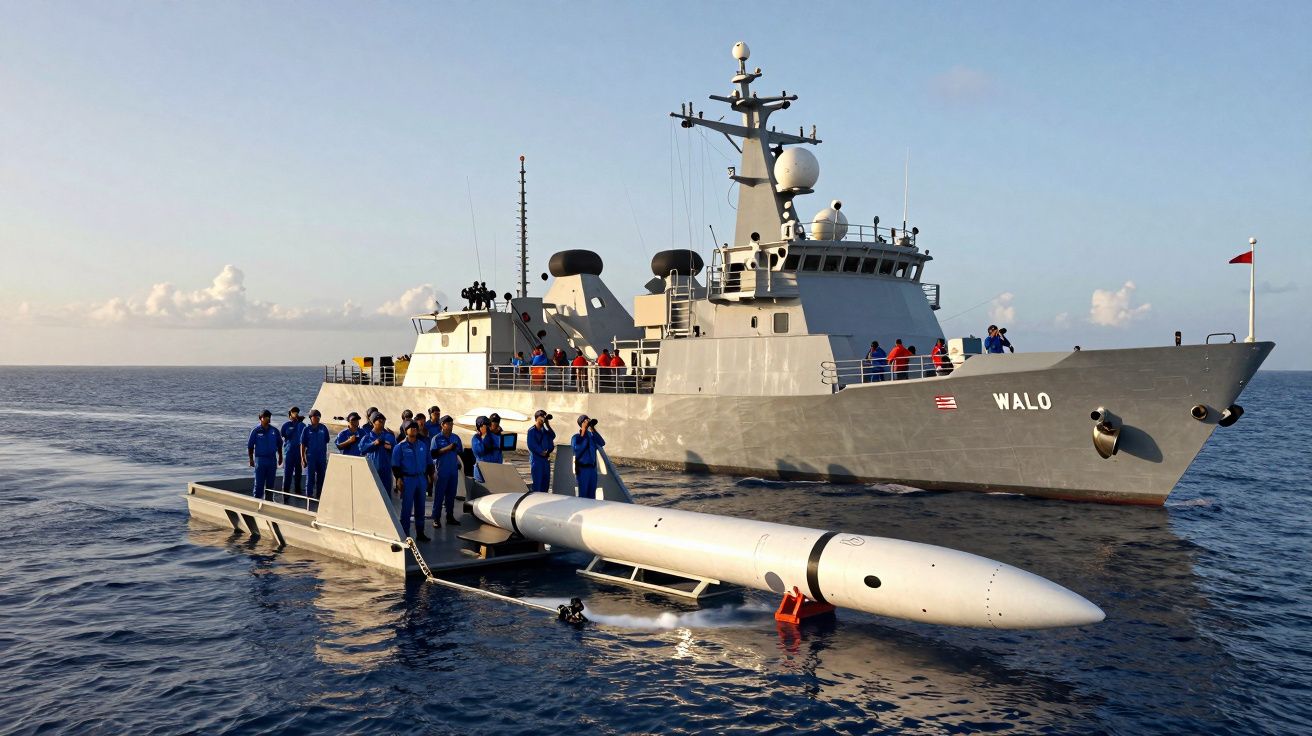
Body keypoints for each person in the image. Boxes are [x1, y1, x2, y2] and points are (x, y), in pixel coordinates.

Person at [391, 421, 432, 542]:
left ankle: (420, 533)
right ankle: (406, 534)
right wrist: (398, 479)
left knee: (421, 507)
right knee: (407, 508)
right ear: (405, 430)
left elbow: (428, 461)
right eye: (410, 427)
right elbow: (395, 465)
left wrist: (430, 475)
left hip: (420, 478)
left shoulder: (423, 445)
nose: (413, 429)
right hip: (407, 479)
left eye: (415, 427)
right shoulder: (400, 447)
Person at [430, 415, 463, 527]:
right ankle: (436, 518)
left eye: (451, 423)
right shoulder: (436, 438)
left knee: (451, 495)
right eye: (448, 423)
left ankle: (450, 516)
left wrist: (458, 463)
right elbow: (433, 454)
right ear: (442, 425)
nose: (450, 425)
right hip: (442, 471)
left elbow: (460, 452)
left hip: (453, 471)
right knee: (439, 496)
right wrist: (447, 448)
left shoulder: (456, 437)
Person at [247, 409, 282, 499]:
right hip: (260, 460)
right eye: (265, 416)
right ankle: (257, 500)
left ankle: (269, 501)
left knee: (270, 483)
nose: (268, 418)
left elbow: (279, 444)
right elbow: (250, 446)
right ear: (260, 418)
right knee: (259, 483)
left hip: (272, 460)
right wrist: (251, 459)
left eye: (269, 416)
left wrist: (280, 456)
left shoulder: (275, 431)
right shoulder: (255, 431)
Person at [571, 414, 606, 499]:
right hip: (583, 470)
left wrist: (592, 429)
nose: (588, 422)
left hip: (592, 470)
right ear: (582, 423)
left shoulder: (591, 436)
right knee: (583, 494)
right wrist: (583, 430)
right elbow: (577, 450)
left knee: (591, 495)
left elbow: (602, 443)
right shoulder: (576, 437)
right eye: (586, 420)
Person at [300, 409, 331, 501]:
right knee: (310, 477)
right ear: (310, 418)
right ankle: (309, 496)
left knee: (321, 476)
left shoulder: (323, 428)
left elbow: (327, 440)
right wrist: (303, 458)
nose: (317, 419)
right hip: (311, 456)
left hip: (321, 457)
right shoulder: (306, 429)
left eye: (318, 417)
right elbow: (302, 444)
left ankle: (319, 495)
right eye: (315, 417)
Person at [361, 413, 396, 492]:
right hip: (373, 471)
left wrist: (390, 447)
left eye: (383, 421)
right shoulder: (367, 437)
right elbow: (362, 449)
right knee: (373, 493)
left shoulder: (389, 436)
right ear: (373, 422)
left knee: (386, 495)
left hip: (386, 471)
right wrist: (373, 443)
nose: (382, 423)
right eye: (379, 421)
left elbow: (396, 451)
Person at [526, 410, 556, 493]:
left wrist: (547, 424)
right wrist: (541, 452)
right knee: (537, 485)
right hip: (537, 460)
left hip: (545, 461)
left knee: (545, 484)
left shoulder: (545, 431)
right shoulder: (531, 431)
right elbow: (531, 445)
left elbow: (553, 435)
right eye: (542, 416)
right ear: (536, 418)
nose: (543, 418)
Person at [280, 407, 306, 494]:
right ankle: (285, 491)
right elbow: (284, 435)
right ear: (290, 414)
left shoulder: (302, 425)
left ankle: (297, 490)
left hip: (299, 453)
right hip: (289, 453)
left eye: (297, 412)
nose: (295, 414)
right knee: (287, 473)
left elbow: (305, 438)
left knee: (299, 473)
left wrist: (299, 422)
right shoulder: (286, 425)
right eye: (293, 412)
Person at [471, 416, 502, 483]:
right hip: (481, 473)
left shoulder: (496, 438)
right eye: (486, 425)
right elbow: (479, 451)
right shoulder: (476, 438)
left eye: (488, 425)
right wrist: (485, 438)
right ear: (480, 427)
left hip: (494, 472)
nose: (488, 427)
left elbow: (500, 451)